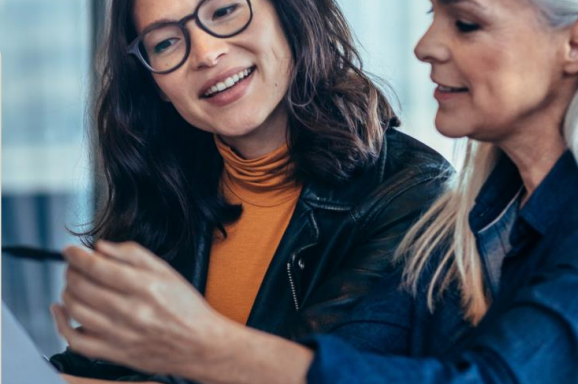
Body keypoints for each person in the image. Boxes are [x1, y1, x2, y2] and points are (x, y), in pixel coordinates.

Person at [53, 0, 578, 383]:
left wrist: (200, 346)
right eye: (165, 42)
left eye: (465, 21)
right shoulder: (478, 216)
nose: (426, 44)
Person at [48, 0, 450, 382]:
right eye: (166, 42)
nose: (206, 54)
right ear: (154, 83)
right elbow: (94, 365)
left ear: (289, 14)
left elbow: (304, 376)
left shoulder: (413, 194)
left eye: (223, 11)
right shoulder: (167, 192)